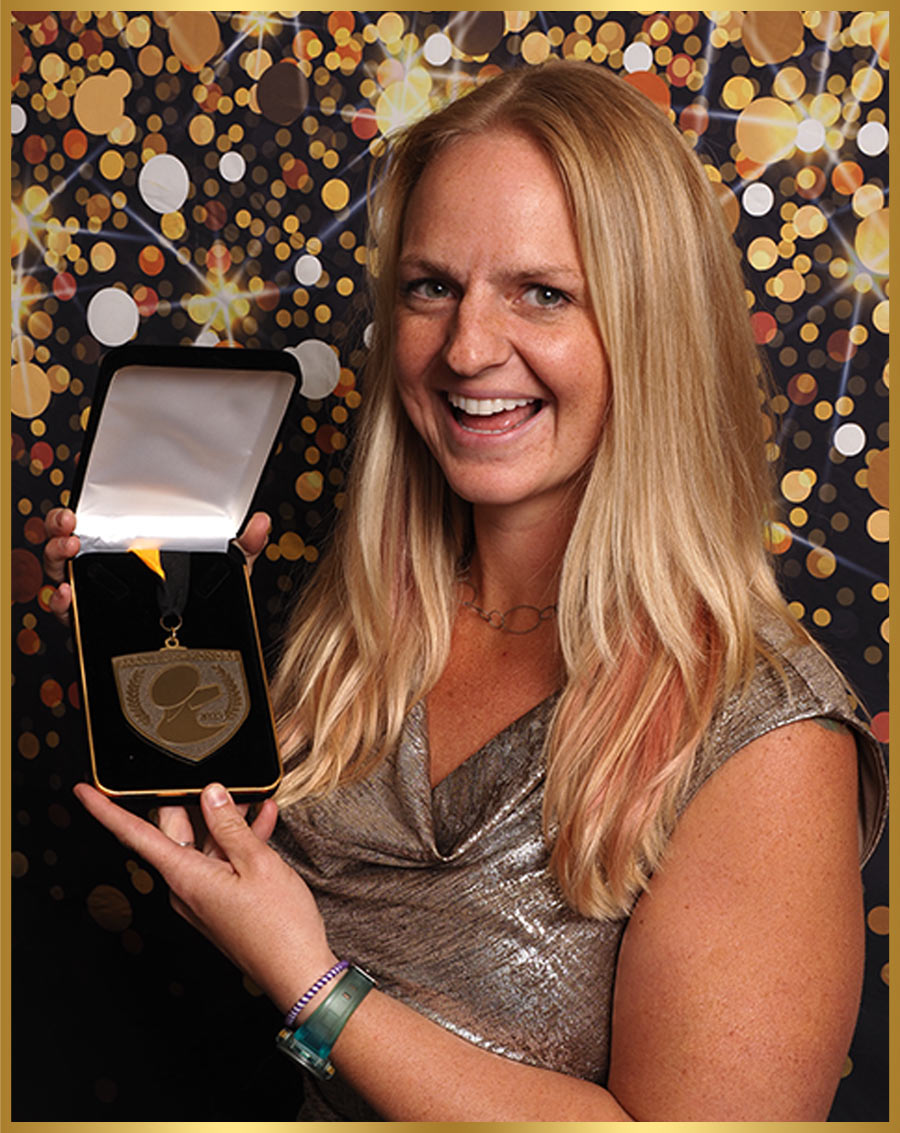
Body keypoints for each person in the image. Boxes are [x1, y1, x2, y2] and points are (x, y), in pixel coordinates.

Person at [44, 60, 885, 1121]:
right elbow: (241, 874)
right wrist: (167, 670)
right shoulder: (357, 634)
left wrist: (316, 988)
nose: (468, 348)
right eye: (432, 286)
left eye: (543, 292)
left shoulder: (767, 738)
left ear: (651, 326)